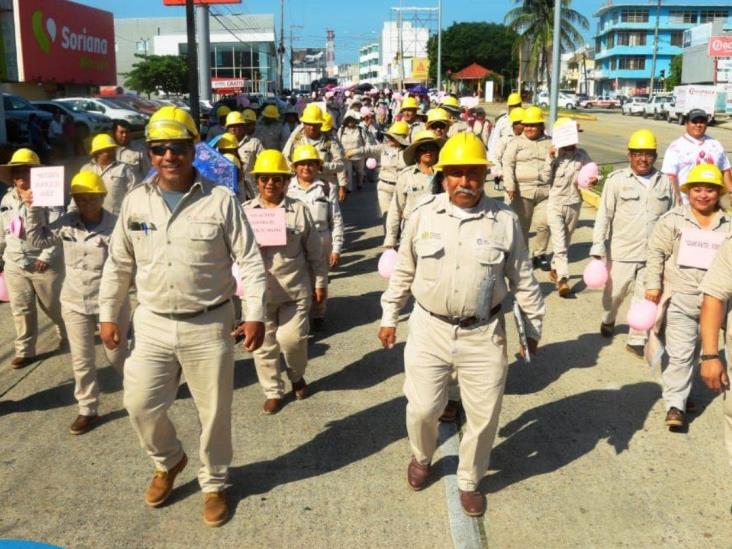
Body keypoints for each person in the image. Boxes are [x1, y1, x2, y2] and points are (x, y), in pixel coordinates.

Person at [98, 106, 267, 527]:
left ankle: (214, 483)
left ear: (193, 148)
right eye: (158, 149)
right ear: (150, 152)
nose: (168, 156)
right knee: (139, 403)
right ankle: (169, 459)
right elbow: (119, 264)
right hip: (152, 322)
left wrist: (255, 313)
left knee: (214, 413)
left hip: (209, 323)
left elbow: (249, 262)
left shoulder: (221, 200)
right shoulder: (135, 201)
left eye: (177, 147)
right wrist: (108, 313)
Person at [378, 132, 545, 517]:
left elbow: (523, 278)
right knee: (422, 409)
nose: (464, 182)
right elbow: (404, 271)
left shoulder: (504, 220)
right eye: (455, 174)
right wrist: (389, 315)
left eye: (473, 174)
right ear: (443, 176)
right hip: (429, 329)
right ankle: (422, 455)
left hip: (483, 333)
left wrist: (531, 328)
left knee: (484, 414)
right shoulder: (422, 215)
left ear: (483, 177)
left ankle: (469, 479)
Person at [23, 171, 130, 435]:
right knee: (82, 359)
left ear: (103, 197)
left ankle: (139, 391)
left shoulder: (117, 225)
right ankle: (88, 409)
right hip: (74, 301)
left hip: (110, 302)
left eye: (91, 198)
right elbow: (36, 240)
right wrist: (34, 208)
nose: (86, 203)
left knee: (116, 353)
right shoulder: (67, 223)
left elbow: (128, 262)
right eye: (80, 198)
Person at [645, 164, 730, 429]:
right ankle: (675, 404)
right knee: (680, 353)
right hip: (681, 297)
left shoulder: (728, 225)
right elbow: (655, 252)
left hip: (719, 304)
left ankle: (683, 390)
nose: (703, 195)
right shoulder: (672, 220)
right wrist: (652, 285)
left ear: (718, 192)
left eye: (709, 190)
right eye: (697, 189)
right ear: (688, 191)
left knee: (701, 351)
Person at [243, 150, 327, 414]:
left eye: (277, 179)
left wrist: (321, 282)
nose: (270, 184)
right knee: (264, 347)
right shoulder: (244, 213)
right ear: (256, 181)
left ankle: (296, 375)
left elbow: (314, 251)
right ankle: (272, 391)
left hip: (294, 291)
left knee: (292, 342)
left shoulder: (298, 211)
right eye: (264, 178)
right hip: (258, 295)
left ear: (285, 182)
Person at [590, 129, 675, 356]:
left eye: (647, 154)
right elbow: (604, 216)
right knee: (614, 295)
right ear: (629, 155)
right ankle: (608, 319)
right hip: (622, 252)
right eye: (638, 153)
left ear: (655, 156)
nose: (642, 159)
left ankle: (637, 338)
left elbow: (673, 219)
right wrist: (598, 249)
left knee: (646, 297)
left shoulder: (665, 183)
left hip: (653, 256)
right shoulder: (617, 181)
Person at [0, 148, 66, 368]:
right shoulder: (7, 198)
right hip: (15, 262)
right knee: (21, 308)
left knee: (54, 306)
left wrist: (47, 255)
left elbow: (59, 229)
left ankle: (67, 333)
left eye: (26, 170)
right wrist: (2, 256)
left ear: (36, 173)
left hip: (43, 263)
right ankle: (25, 351)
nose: (20, 175)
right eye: (16, 171)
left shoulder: (50, 196)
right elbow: (4, 230)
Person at [287, 144, 344, 330]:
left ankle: (319, 312)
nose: (306, 168)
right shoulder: (286, 187)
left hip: (321, 239)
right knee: (296, 279)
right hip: (294, 240)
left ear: (318, 166)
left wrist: (336, 248)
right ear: (295, 167)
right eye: (302, 164)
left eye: (311, 164)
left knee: (319, 277)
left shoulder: (327, 188)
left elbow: (335, 220)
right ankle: (299, 315)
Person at [543, 118, 595, 297]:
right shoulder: (553, 155)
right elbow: (544, 178)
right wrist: (550, 159)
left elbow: (591, 173)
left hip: (574, 203)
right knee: (559, 244)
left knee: (565, 242)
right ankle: (563, 280)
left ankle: (555, 269)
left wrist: (594, 180)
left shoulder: (582, 155)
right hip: (555, 203)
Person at [502, 105, 552, 270]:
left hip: (545, 191)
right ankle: (522, 256)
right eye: (527, 125)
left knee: (544, 224)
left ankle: (540, 255)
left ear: (541, 126)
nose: (529, 128)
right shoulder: (515, 143)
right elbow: (507, 164)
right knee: (522, 227)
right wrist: (509, 186)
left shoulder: (550, 143)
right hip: (522, 192)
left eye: (534, 125)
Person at [384, 130, 444, 249]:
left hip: (437, 229)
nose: (428, 152)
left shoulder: (445, 175)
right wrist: (390, 240)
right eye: (423, 148)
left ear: (438, 152)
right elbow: (396, 208)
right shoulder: (406, 175)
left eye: (432, 148)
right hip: (411, 230)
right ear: (416, 153)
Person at [661, 108, 732, 203]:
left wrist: (730, 192)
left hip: (713, 201)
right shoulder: (676, 147)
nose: (698, 125)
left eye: (702, 122)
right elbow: (670, 177)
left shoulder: (715, 144)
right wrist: (677, 199)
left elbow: (725, 170)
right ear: (686, 123)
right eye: (694, 122)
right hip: (687, 202)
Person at [283, 104, 347, 202]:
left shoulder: (329, 141)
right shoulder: (297, 139)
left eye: (315, 124)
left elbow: (341, 165)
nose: (312, 128)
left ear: (321, 124)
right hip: (301, 187)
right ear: (303, 124)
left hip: (325, 187)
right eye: (308, 124)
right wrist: (295, 171)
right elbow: (285, 157)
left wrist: (322, 167)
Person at [346, 120, 409, 220]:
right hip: (385, 187)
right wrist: (353, 152)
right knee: (387, 217)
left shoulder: (409, 152)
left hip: (403, 188)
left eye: (392, 137)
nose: (389, 139)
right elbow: (368, 150)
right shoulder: (383, 148)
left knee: (402, 218)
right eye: (389, 136)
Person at [81, 133, 137, 215]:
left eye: (113, 149)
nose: (113, 153)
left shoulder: (124, 168)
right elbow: (77, 197)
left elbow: (134, 196)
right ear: (97, 153)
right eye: (108, 150)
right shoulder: (86, 170)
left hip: (117, 221)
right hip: (91, 221)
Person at [222, 109, 263, 201]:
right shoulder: (221, 144)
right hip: (231, 192)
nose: (233, 129)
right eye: (230, 126)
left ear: (243, 127)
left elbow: (263, 165)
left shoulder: (254, 143)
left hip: (252, 191)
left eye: (236, 126)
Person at [489, 107, 524, 191]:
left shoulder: (527, 139)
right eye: (520, 123)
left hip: (524, 182)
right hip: (509, 180)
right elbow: (495, 156)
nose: (523, 126)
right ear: (514, 124)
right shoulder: (505, 139)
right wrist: (501, 173)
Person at [487, 92, 523, 162]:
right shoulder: (502, 121)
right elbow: (494, 141)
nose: (515, 108)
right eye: (513, 106)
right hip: (504, 159)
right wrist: (493, 161)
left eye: (517, 106)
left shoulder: (525, 118)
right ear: (509, 106)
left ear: (521, 105)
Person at [338, 110, 367, 191]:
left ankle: (359, 184)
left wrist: (368, 153)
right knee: (348, 173)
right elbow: (337, 143)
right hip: (346, 155)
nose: (350, 122)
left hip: (359, 155)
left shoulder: (360, 130)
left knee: (360, 172)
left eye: (352, 120)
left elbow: (366, 142)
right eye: (348, 120)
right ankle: (349, 188)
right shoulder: (341, 130)